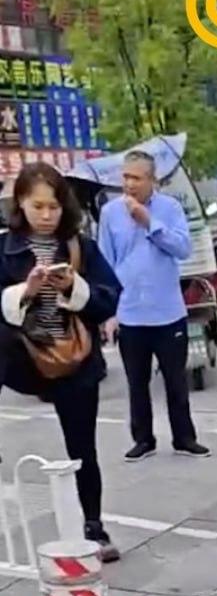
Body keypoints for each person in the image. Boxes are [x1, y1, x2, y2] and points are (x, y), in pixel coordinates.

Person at [0, 163, 121, 562]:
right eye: (38, 206)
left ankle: (94, 526)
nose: (46, 215)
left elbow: (109, 298)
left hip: (75, 358)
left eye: (53, 207)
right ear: (21, 202)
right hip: (22, 356)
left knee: (83, 448)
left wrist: (74, 287)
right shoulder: (5, 249)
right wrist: (25, 290)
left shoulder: (80, 246)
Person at [98, 150, 210, 462]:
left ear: (152, 180)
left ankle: (184, 438)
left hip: (168, 312)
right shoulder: (109, 213)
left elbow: (183, 248)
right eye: (126, 177)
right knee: (137, 383)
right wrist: (109, 312)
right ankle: (143, 439)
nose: (129, 184)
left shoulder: (169, 208)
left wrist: (149, 222)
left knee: (176, 381)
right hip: (130, 313)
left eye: (136, 178)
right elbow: (105, 263)